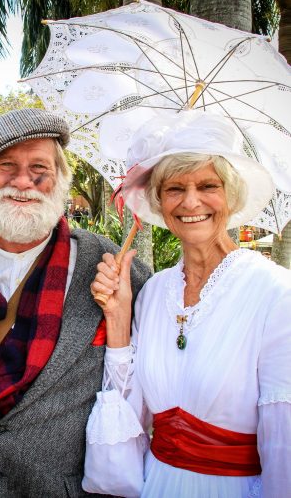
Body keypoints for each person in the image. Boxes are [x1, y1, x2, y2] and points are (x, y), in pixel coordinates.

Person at [0, 108, 152, 497]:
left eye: (40, 169)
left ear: (61, 180)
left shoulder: (112, 265)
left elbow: (149, 373)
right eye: (6, 166)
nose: (23, 181)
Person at [83, 111, 291, 497]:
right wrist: (118, 315)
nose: (190, 201)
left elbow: (285, 442)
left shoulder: (276, 294)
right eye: (174, 188)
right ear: (160, 203)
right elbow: (130, 410)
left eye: (207, 185)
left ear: (230, 195)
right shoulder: (153, 291)